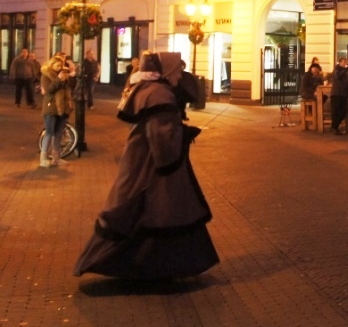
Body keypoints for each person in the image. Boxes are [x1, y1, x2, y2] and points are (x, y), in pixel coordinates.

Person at [74, 52, 219, 279]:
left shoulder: (149, 90)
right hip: (153, 168)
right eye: (178, 70)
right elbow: (161, 136)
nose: (180, 74)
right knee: (157, 212)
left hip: (143, 163)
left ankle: (149, 268)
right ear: (168, 70)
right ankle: (151, 269)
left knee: (146, 211)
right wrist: (183, 136)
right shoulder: (160, 94)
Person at [39, 53, 72, 168]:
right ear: (52, 64)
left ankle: (56, 158)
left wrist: (66, 78)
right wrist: (58, 79)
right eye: (57, 66)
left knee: (58, 133)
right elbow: (49, 90)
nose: (59, 68)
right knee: (49, 132)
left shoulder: (63, 75)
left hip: (62, 108)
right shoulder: (46, 75)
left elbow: (67, 90)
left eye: (60, 66)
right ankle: (43, 158)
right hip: (51, 107)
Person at [330, 56, 348, 135]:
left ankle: (334, 126)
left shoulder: (345, 71)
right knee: (336, 111)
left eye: (346, 62)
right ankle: (334, 127)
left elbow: (346, 82)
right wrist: (345, 70)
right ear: (340, 62)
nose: (345, 64)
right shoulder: (337, 69)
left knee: (344, 111)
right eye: (344, 62)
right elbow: (337, 76)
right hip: (337, 93)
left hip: (343, 93)